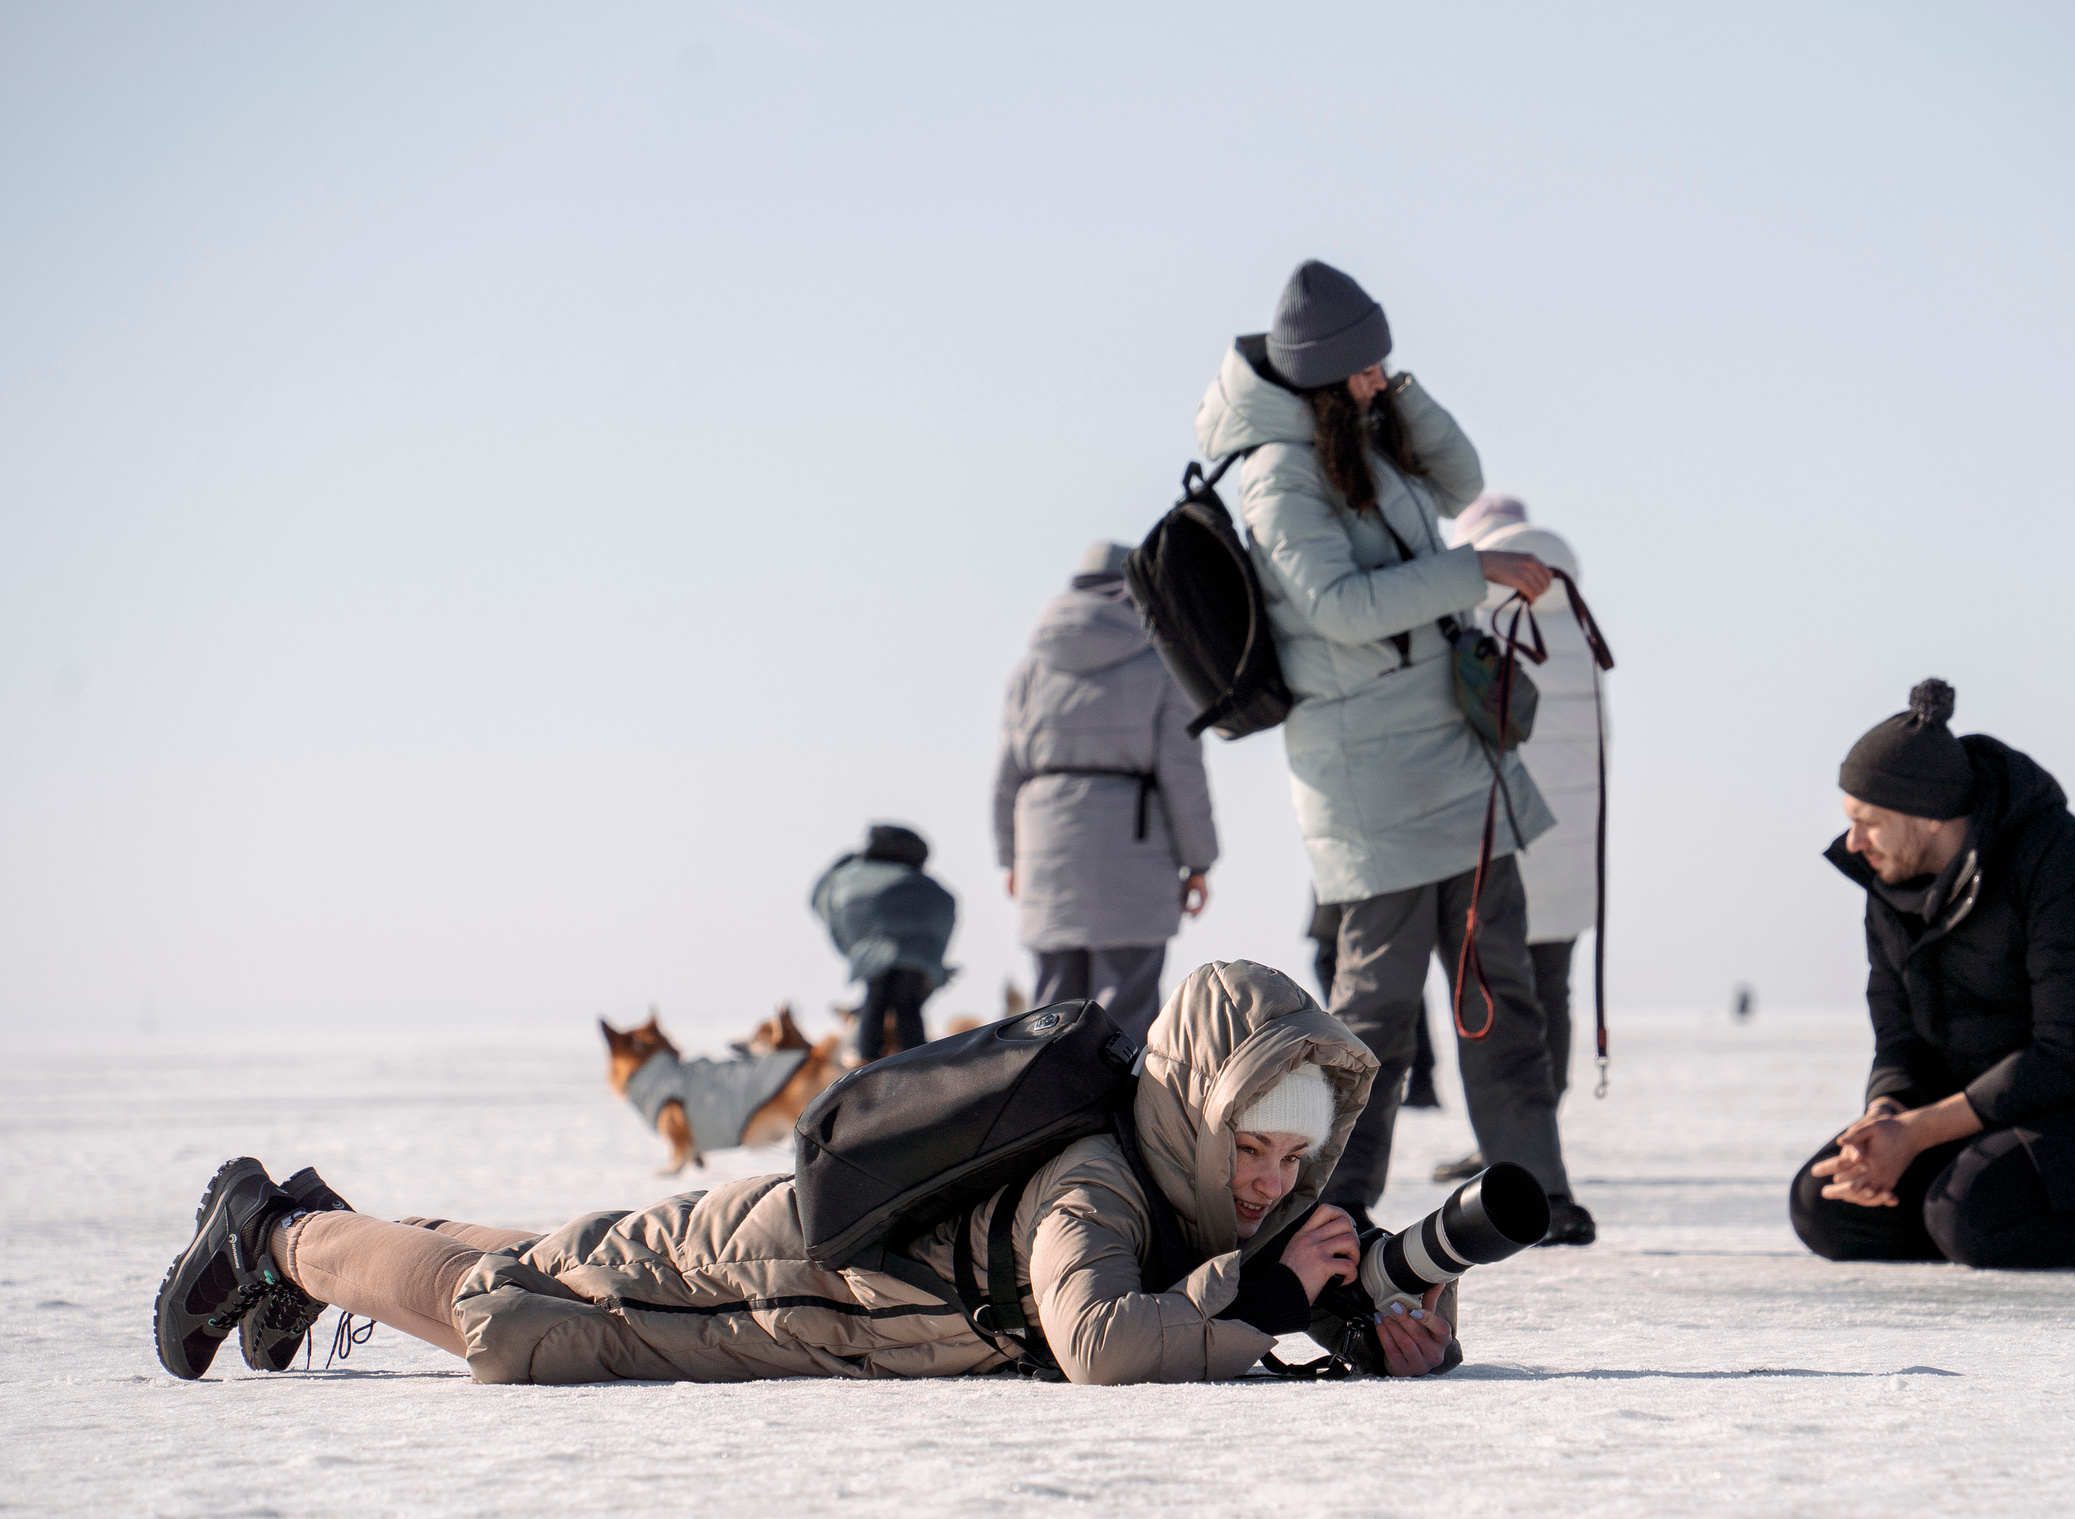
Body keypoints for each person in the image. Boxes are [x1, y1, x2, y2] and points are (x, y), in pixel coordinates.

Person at [153, 962, 1465, 1386]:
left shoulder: (1201, 1182)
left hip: (806, 1297)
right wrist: (1273, 1305)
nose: (1269, 1180)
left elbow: (1238, 1285)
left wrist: (1368, 1315)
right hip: (771, 1272)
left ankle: (328, 1233)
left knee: (555, 1258)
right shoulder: (1096, 1179)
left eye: (1294, 1156)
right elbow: (1107, 1342)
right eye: (1253, 1146)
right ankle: (274, 1234)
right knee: (515, 1316)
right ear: (1200, 1107)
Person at [1193, 259, 1593, 1244]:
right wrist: (1474, 572)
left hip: (1450, 753)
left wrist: (1394, 390)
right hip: (1369, 778)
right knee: (1372, 1017)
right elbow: (1334, 607)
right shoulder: (1278, 474)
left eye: (1387, 364)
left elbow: (1460, 479)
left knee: (1502, 992)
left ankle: (1533, 1193)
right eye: (1366, 368)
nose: (1383, 380)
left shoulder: (1360, 439)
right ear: (1323, 376)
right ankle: (1332, 1205)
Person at [1790, 680, 2075, 1268]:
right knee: (1826, 1207)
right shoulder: (1889, 884)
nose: (1853, 842)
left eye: (1869, 821)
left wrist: (1920, 1133)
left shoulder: (2071, 869)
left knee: (1972, 1213)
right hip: (2000, 1110)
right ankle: (1969, 1226)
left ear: (1930, 817)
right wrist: (1885, 1118)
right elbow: (1900, 1038)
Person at [1430, 493, 1607, 1184]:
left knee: (1495, 994)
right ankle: (1539, 1130)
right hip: (1573, 837)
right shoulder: (1577, 614)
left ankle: (1507, 1139)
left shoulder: (1481, 599)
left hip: (1505, 827)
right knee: (1552, 986)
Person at [995, 541, 1218, 1036]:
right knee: (1127, 1012)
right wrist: (1199, 862)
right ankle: (1117, 1115)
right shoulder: (1159, 664)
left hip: (1045, 854)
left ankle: (1048, 1112)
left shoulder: (1030, 672)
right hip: (1133, 855)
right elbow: (1184, 774)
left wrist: (1012, 859)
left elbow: (1006, 780)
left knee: (1049, 1013)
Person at [810, 824, 958, 1062]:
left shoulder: (851, 874)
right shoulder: (922, 883)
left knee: (876, 1000)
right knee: (908, 1005)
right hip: (919, 950)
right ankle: (919, 1065)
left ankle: (867, 1064)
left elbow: (834, 908)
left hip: (874, 949)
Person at [1307, 896, 1439, 1109]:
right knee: (1393, 974)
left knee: (1393, 975)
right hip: (1344, 883)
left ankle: (1413, 1079)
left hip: (1372, 888)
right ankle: (1410, 1079)